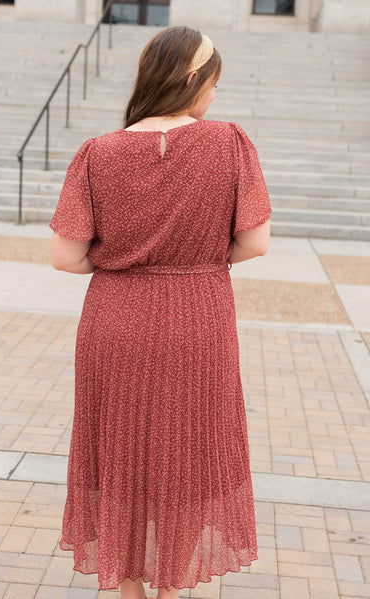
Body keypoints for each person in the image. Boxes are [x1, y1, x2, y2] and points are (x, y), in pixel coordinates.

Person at [49, 25, 272, 599]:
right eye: (213, 85)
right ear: (192, 78)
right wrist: (194, 256)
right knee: (190, 452)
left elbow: (65, 258)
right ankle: (171, 585)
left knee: (119, 452)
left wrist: (124, 257)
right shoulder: (229, 143)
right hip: (199, 315)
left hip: (115, 318)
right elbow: (255, 243)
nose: (214, 98)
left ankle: (128, 589)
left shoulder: (98, 152)